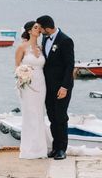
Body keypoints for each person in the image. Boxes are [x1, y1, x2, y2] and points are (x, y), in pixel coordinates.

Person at [36, 15, 75, 160]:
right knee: (52, 117)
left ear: (46, 28)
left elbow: (70, 65)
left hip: (61, 88)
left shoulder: (65, 40)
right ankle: (55, 147)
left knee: (61, 117)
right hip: (47, 87)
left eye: (40, 28)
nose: (39, 30)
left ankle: (61, 150)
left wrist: (65, 87)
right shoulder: (45, 38)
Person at [15, 21, 48, 159]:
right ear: (29, 31)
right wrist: (23, 77)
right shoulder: (22, 47)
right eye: (36, 27)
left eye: (39, 28)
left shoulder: (41, 47)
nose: (39, 30)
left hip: (41, 84)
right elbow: (16, 68)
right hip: (27, 85)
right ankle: (29, 149)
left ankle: (40, 149)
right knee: (29, 114)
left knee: (39, 114)